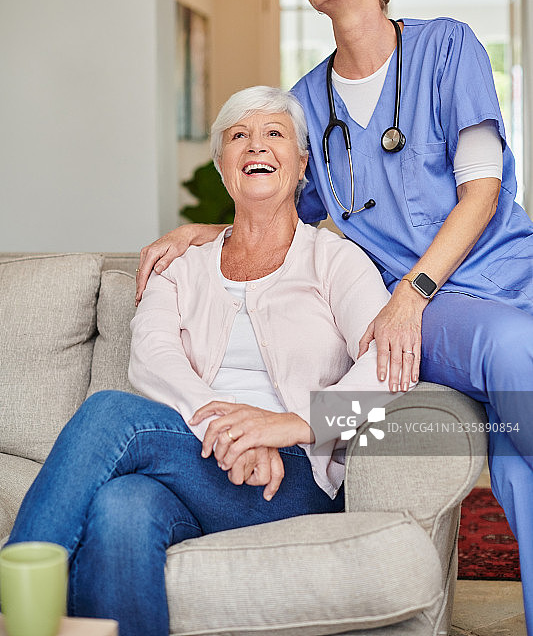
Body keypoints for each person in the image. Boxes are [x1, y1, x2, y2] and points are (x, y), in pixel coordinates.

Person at [135, 0, 533, 634]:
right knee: (512, 351)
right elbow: (282, 201)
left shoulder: (448, 48)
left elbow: (482, 189)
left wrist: (412, 288)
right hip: (437, 307)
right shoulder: (306, 102)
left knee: (516, 470)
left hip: (503, 276)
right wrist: (205, 229)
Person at [6, 85, 408, 636]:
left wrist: (293, 424)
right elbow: (152, 359)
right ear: (223, 167)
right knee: (121, 509)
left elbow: (389, 366)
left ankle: (18, 606)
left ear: (302, 163)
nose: (256, 146)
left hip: (287, 475)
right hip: (197, 456)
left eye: (274, 134)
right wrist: (229, 430)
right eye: (238, 136)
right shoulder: (181, 265)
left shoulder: (335, 261)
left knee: (107, 413)